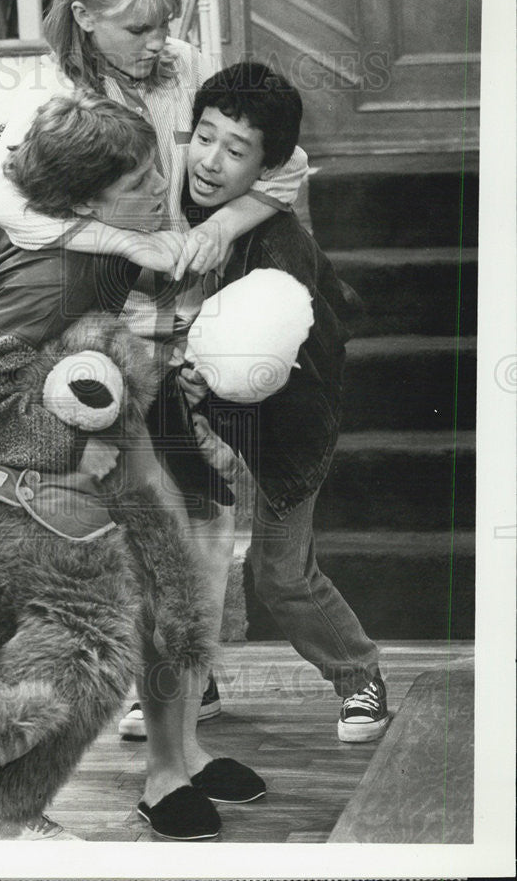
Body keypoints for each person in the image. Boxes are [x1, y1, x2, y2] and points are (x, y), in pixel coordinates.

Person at [0, 90, 265, 841]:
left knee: (170, 586)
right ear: (80, 201)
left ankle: (175, 759)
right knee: (64, 643)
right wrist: (74, 447)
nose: (158, 191)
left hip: (93, 430)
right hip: (19, 472)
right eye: (136, 185)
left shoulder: (38, 217)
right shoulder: (58, 276)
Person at [168, 61, 389, 744]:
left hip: (289, 419)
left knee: (279, 577)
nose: (210, 160)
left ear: (265, 167)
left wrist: (205, 367)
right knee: (175, 553)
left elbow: (259, 359)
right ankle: (190, 684)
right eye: (203, 136)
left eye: (235, 151)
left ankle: (361, 679)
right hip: (199, 413)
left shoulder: (280, 246)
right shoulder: (172, 199)